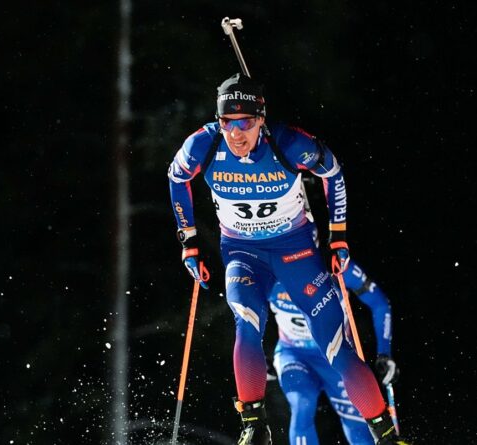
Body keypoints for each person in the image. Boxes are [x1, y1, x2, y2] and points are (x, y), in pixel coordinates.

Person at [167, 73, 411, 445]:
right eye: (228, 124)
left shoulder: (289, 143)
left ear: (261, 120)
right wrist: (189, 243)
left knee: (336, 348)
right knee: (246, 320)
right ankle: (253, 423)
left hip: (295, 250)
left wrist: (338, 236)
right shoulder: (203, 144)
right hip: (242, 252)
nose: (236, 134)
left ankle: (389, 436)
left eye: (245, 123)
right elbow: (176, 178)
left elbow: (333, 172)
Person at [268, 259, 400, 445]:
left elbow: (379, 303)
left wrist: (384, 354)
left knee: (358, 426)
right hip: (294, 354)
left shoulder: (336, 266)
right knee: (302, 403)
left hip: (336, 356)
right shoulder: (269, 272)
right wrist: (259, 358)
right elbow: (246, 314)